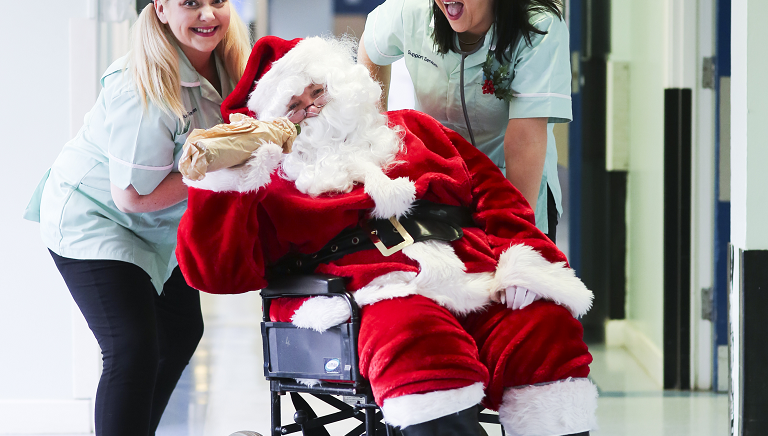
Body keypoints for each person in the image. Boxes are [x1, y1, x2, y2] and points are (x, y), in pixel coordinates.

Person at [177, 35, 596, 436]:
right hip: (372, 295)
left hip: (472, 274)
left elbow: (497, 197)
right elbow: (216, 273)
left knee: (544, 330)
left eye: (318, 92)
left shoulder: (416, 129)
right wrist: (225, 186)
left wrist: (523, 258)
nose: (313, 108)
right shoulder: (272, 180)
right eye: (295, 107)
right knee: (418, 341)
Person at [23, 0, 251, 436]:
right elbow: (130, 197)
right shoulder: (143, 87)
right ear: (162, 9)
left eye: (218, 0)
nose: (208, 14)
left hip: (160, 226)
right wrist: (223, 169)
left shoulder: (229, 64)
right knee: (132, 349)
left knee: (181, 331)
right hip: (96, 218)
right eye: (191, 2)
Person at [357, 0, 571, 242]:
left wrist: (515, 233)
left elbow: (525, 138)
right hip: (437, 184)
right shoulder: (415, 5)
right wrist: (375, 140)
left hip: (512, 184)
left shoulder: (536, 27)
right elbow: (371, 49)